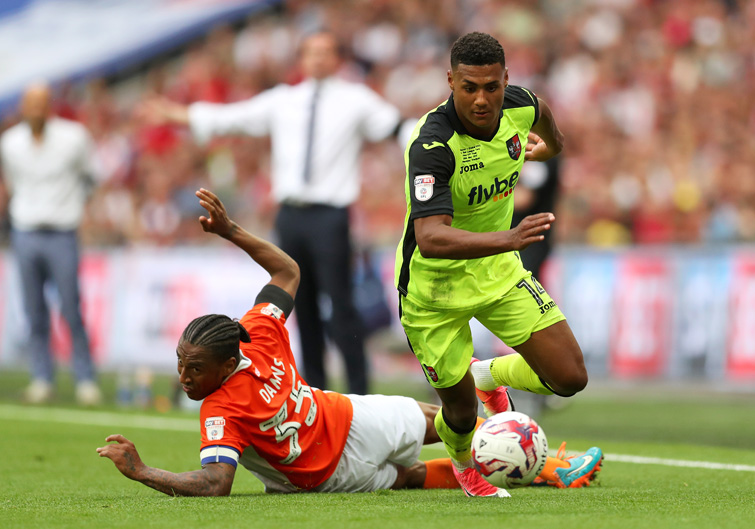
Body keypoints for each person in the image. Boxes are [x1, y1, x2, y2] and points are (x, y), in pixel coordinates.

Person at [96, 188, 587, 495]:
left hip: (348, 415)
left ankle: (544, 465)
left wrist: (232, 231)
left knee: (466, 423)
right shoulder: (235, 377)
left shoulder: (252, 347)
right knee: (416, 475)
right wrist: (144, 472)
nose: (183, 377)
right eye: (181, 364)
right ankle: (540, 466)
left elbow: (288, 269)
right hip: (330, 470)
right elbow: (215, 482)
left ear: (228, 362)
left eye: (193, 368)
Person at [395, 32, 602, 497]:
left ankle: (485, 372)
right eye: (469, 87)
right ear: (451, 81)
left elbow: (544, 115)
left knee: (570, 377)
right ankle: (465, 465)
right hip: (433, 290)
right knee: (462, 413)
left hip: (497, 271)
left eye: (492, 86)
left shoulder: (520, 105)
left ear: (506, 79)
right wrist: (508, 238)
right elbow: (430, 239)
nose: (482, 98)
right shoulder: (432, 144)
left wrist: (550, 148)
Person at [144, 31, 402, 395]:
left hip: (331, 214)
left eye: (325, 52)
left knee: (342, 307)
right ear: (302, 58)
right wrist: (179, 114)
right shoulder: (285, 101)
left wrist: (437, 137)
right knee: (303, 308)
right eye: (311, 52)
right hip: (291, 215)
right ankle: (316, 392)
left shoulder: (356, 100)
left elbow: (396, 127)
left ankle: (359, 394)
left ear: (337, 59)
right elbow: (232, 118)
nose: (317, 59)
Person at [0, 82, 101, 405]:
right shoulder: (10, 143)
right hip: (26, 230)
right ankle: (41, 377)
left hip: (61, 230)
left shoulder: (73, 138)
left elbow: (91, 177)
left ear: (50, 106)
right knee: (34, 310)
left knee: (71, 307)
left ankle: (85, 378)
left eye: (41, 103)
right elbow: (13, 183)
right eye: (31, 103)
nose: (36, 110)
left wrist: (69, 205)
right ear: (23, 108)